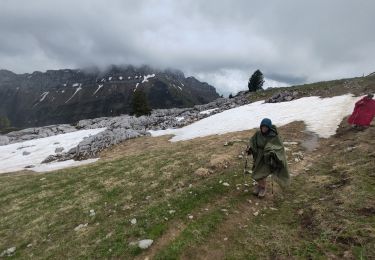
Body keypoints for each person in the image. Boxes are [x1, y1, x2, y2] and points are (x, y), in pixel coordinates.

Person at [246, 118, 290, 197]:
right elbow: (253, 142)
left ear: (269, 128)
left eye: (266, 127)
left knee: (262, 173)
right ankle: (259, 186)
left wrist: (271, 151)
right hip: (258, 156)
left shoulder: (273, 135)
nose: (264, 129)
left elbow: (278, 146)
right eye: (262, 127)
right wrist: (250, 148)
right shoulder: (258, 134)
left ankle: (263, 188)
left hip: (267, 158)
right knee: (256, 171)